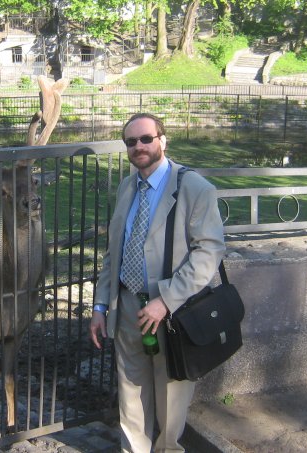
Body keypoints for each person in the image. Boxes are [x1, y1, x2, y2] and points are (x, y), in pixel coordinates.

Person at [90, 113, 225, 452]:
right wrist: (100, 306)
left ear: (163, 140)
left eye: (146, 138)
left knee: (171, 395)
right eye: (131, 142)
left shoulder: (194, 188)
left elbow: (209, 253)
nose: (139, 146)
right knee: (130, 392)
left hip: (171, 312)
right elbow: (114, 253)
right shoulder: (127, 187)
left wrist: (165, 300)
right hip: (127, 306)